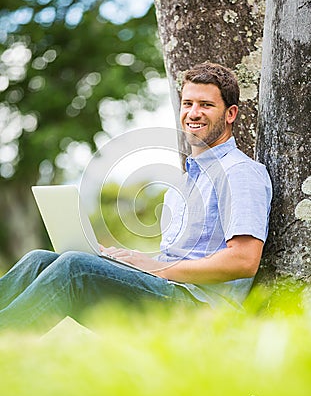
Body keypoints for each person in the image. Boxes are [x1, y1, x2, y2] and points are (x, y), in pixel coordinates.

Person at [0, 62, 272, 332]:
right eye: (188, 103)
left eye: (206, 105)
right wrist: (130, 259)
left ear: (231, 114)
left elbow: (244, 260)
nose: (194, 113)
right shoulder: (186, 180)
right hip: (171, 289)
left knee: (75, 268)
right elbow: (177, 258)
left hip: (201, 308)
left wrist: (158, 269)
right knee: (38, 260)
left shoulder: (240, 172)